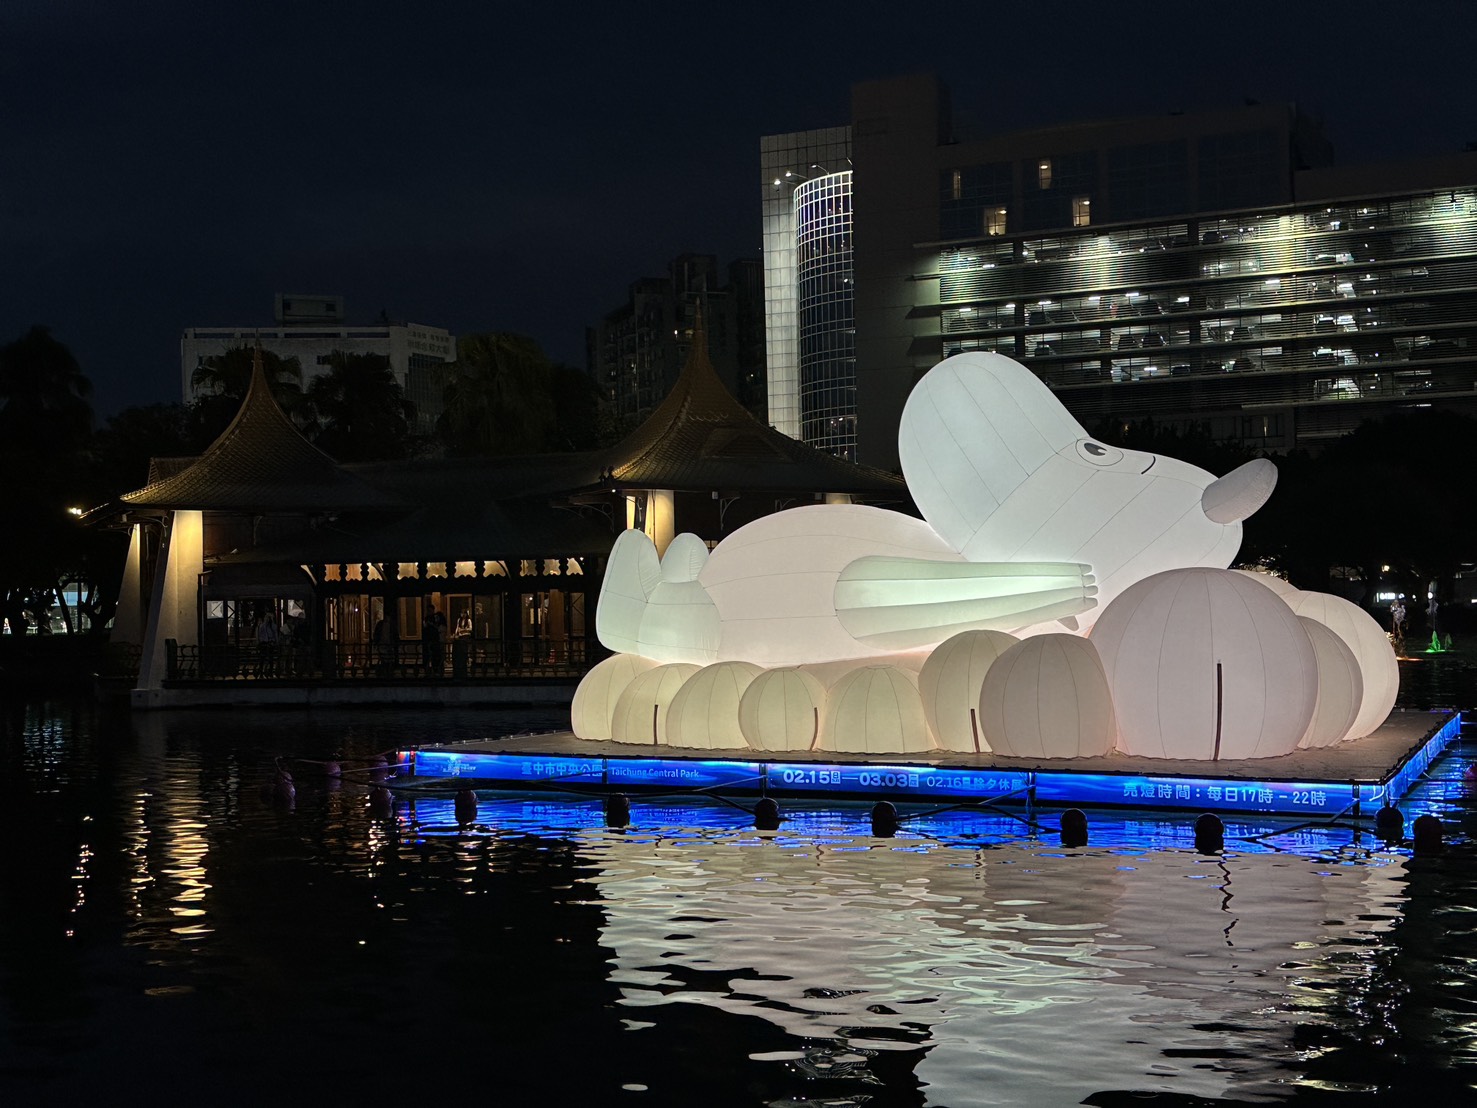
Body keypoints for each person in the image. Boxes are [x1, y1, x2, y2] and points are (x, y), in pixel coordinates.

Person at [256, 611, 279, 677]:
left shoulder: (273, 626)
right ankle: (261, 672)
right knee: (263, 658)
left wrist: (276, 642)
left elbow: (275, 634)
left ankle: (269, 672)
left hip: (270, 643)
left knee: (270, 658)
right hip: (264, 643)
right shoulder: (262, 626)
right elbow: (259, 635)